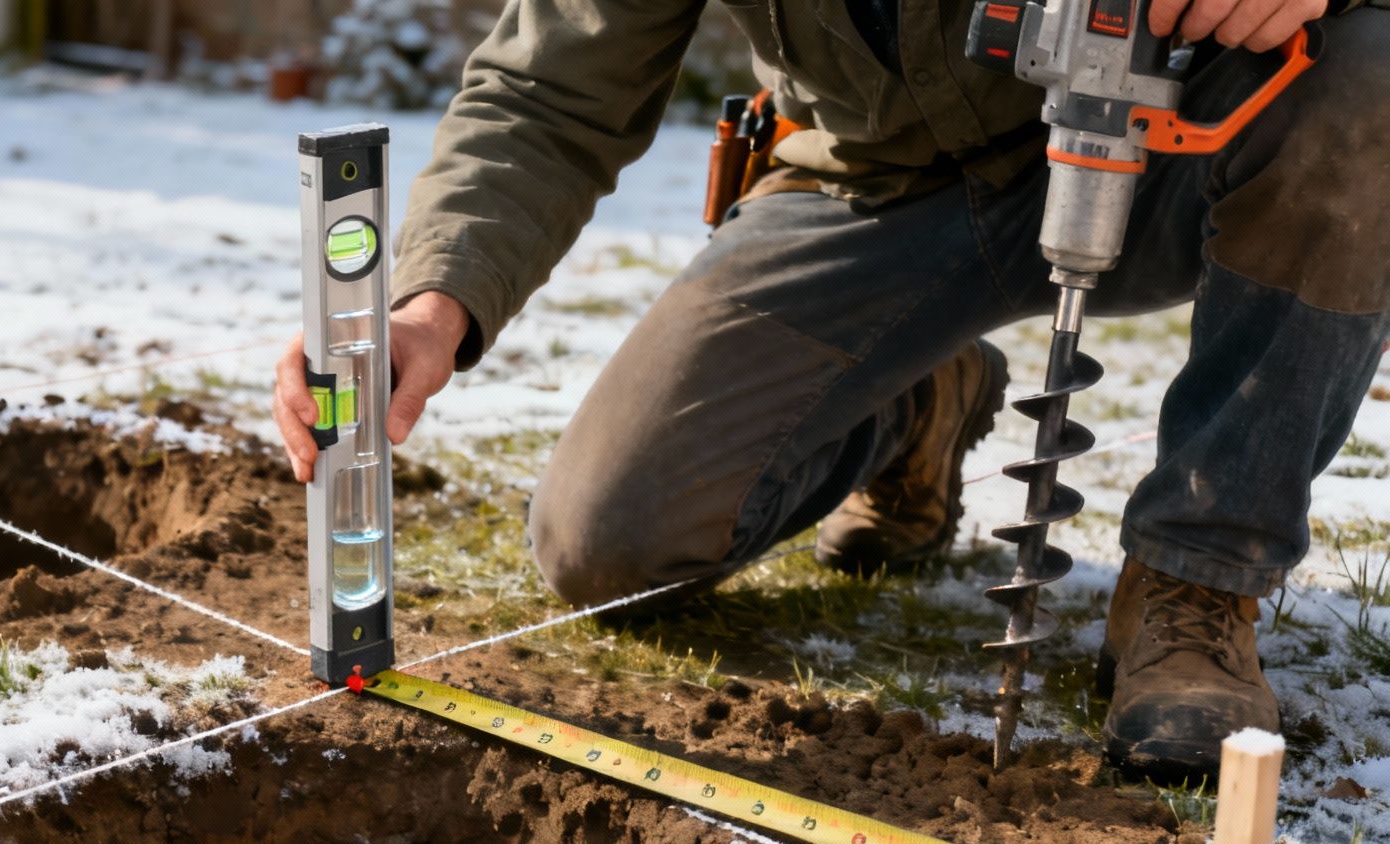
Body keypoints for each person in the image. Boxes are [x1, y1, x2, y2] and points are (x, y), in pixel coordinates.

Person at [273, 0, 1388, 780]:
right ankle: (911, 404)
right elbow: (544, 93)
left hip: (1168, 144)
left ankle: (1195, 584)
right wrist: (430, 299)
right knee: (606, 538)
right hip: (873, 192)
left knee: (1372, 78)